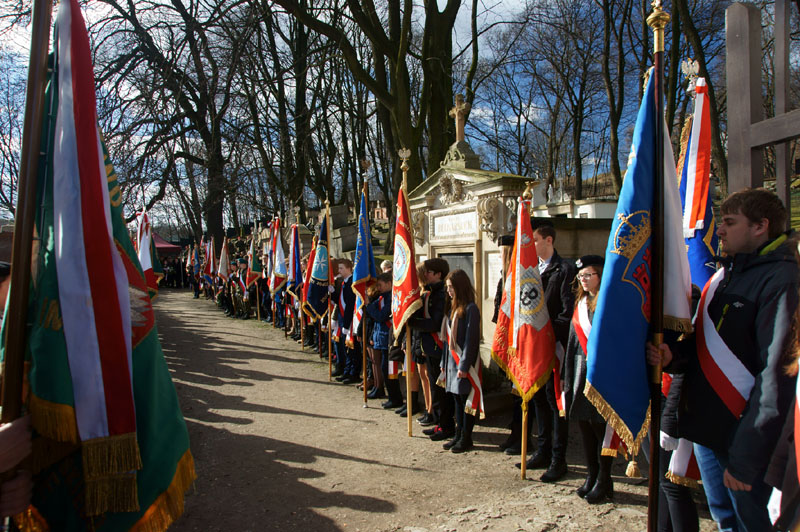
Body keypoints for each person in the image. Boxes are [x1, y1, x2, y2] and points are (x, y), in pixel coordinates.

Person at [647, 188, 798, 532]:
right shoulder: (726, 275)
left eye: (730, 222)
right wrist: (674, 357)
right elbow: (707, 346)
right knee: (724, 519)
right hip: (710, 430)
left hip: (746, 438)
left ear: (761, 226)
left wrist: (746, 460)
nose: (720, 230)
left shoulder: (783, 279)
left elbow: (777, 375)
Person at [519, 221, 576, 482]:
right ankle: (541, 450)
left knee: (556, 403)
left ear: (549, 240)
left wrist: (548, 334)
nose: (531, 243)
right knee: (538, 398)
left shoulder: (564, 270)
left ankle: (558, 458)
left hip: (555, 346)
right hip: (534, 347)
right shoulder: (529, 270)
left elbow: (567, 312)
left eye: (536, 239)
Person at [563, 255, 614, 504]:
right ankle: (591, 474)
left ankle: (605, 479)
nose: (583, 280)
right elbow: (573, 342)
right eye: (580, 276)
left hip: (600, 372)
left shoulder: (607, 302)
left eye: (588, 275)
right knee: (584, 425)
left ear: (600, 276)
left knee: (600, 428)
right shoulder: (581, 302)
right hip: (579, 371)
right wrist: (567, 378)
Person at [408, 258, 453, 440]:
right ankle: (439, 423)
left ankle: (446, 426)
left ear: (438, 274)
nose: (424, 274)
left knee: (440, 390)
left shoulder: (440, 294)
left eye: (428, 272)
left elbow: (435, 323)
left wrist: (413, 323)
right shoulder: (430, 292)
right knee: (435, 389)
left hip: (437, 346)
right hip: (428, 346)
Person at [441, 269, 482, 453]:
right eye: (447, 287)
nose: (449, 291)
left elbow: (471, 341)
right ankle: (458, 435)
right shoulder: (453, 308)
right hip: (451, 363)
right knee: (456, 400)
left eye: (451, 287)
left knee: (465, 401)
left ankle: (466, 437)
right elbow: (447, 341)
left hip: (462, 363)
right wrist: (444, 364)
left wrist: (464, 366)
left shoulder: (471, 309)